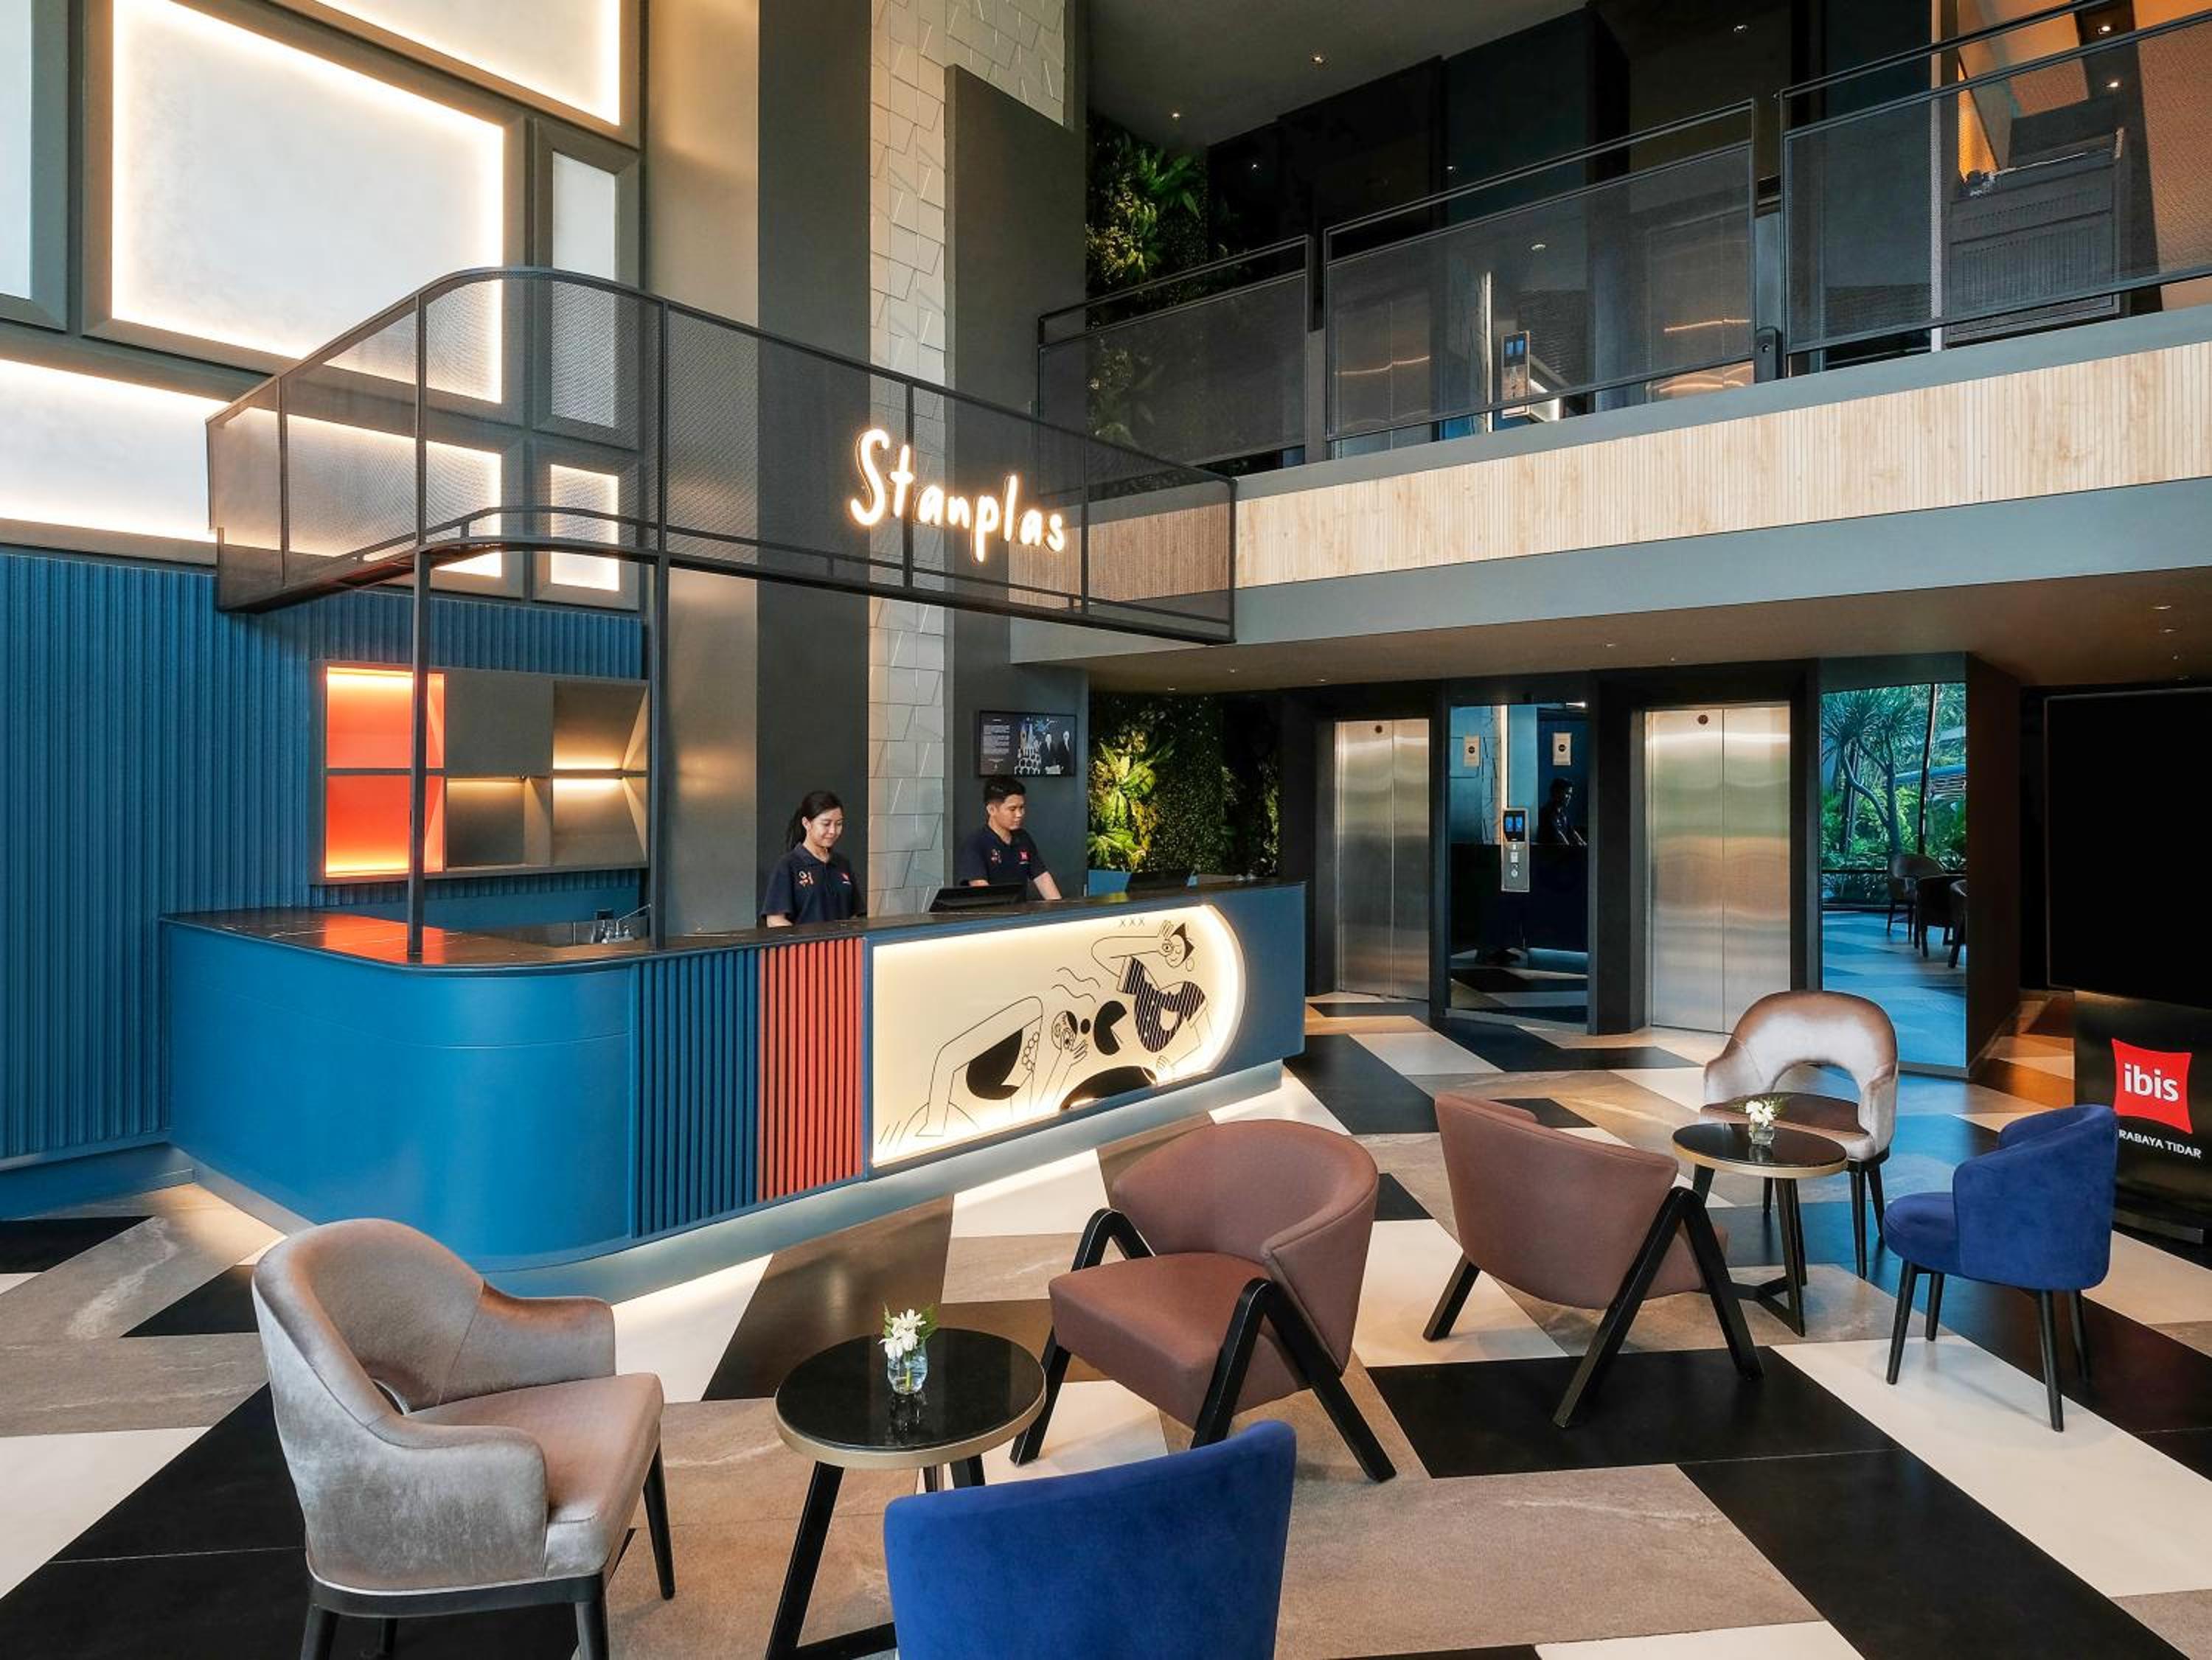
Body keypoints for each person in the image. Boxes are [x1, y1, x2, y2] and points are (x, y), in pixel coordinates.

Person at [762, 789, 862, 927]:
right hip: (807, 941)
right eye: (826, 824)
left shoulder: (842, 864)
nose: (833, 831)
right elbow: (775, 920)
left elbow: (854, 915)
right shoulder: (788, 865)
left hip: (843, 941)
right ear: (806, 823)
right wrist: (804, 940)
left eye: (839, 824)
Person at [955, 775, 1062, 899]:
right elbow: (980, 887)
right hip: (991, 909)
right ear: (991, 810)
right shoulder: (975, 843)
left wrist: (1059, 907)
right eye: (1012, 809)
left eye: (1021, 808)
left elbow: (1042, 878)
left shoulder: (1023, 838)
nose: (1019, 814)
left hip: (1021, 910)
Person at [1539, 778, 1585, 846]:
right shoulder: (1546, 813)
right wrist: (1569, 849)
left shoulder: (1564, 814)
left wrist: (1584, 845)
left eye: (1570, 794)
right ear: (1556, 793)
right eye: (1567, 793)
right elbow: (1559, 835)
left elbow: (1572, 832)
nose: (1569, 797)